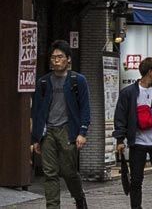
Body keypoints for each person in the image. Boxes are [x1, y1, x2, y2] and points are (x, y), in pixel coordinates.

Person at [30, 40, 90, 209]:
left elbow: (85, 108)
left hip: (68, 130)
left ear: (68, 59)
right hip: (47, 131)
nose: (56, 60)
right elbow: (37, 112)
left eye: (60, 57)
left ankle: (79, 197)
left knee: (69, 171)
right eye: (53, 57)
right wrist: (35, 138)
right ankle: (52, 206)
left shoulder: (78, 80)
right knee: (50, 173)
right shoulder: (43, 82)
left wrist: (82, 132)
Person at [113, 57, 152, 209]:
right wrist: (120, 139)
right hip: (138, 142)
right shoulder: (128, 93)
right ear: (150, 72)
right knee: (136, 180)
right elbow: (120, 116)